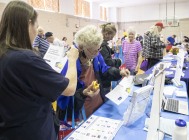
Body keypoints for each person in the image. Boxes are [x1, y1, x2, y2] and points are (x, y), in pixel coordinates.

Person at [0, 1, 79, 140]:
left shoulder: (5, 54)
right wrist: (72, 59)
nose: (36, 32)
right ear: (28, 24)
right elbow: (70, 88)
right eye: (36, 26)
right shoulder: (25, 58)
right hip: (32, 131)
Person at [57, 25, 130, 119]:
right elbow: (65, 98)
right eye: (94, 51)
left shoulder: (95, 55)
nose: (97, 53)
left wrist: (119, 72)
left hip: (98, 103)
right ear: (82, 47)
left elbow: (104, 69)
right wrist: (83, 93)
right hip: (81, 112)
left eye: (98, 49)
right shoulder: (70, 63)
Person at [99, 23, 125, 101]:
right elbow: (107, 62)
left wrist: (111, 51)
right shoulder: (102, 46)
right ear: (106, 34)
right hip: (103, 80)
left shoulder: (103, 45)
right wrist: (118, 61)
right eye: (112, 36)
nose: (111, 39)